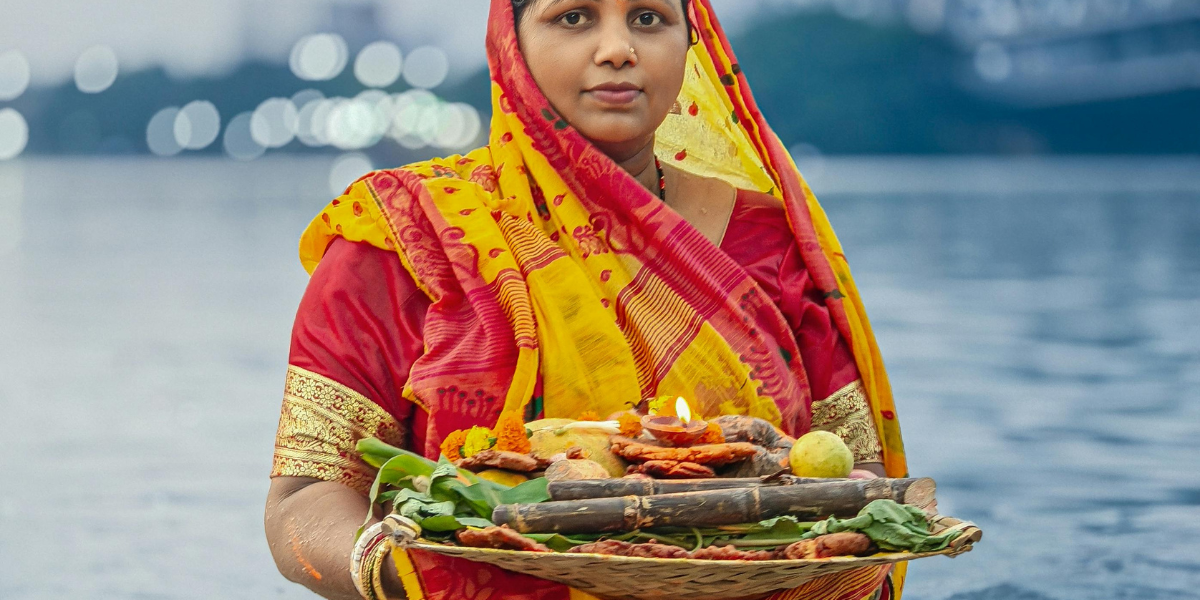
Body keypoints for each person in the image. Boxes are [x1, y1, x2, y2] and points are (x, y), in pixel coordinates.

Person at [264, 0, 907, 598]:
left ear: (694, 41)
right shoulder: (408, 238)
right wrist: (412, 568)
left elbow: (858, 480)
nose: (618, 49)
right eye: (573, 16)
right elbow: (302, 500)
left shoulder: (773, 244)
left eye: (649, 17)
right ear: (510, 41)